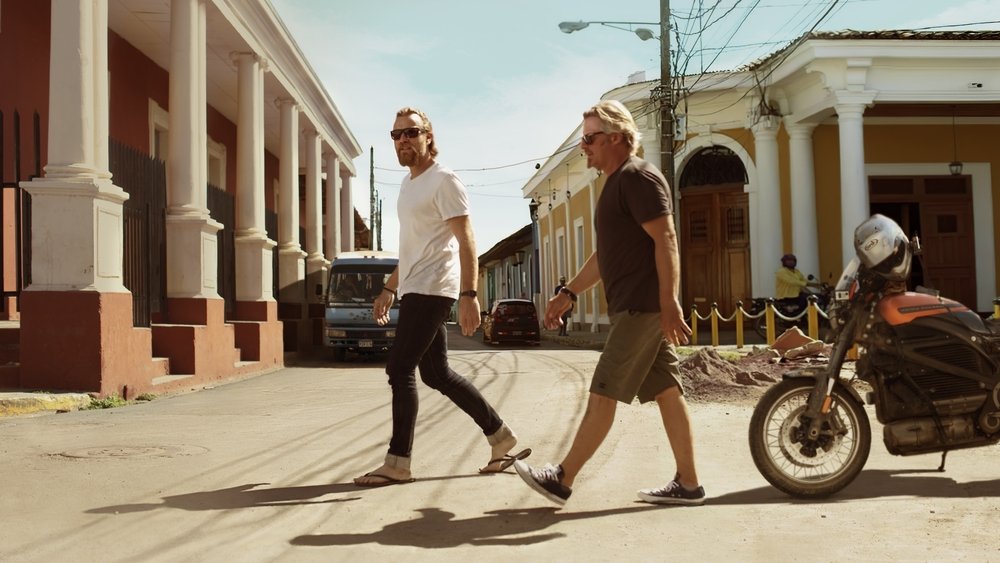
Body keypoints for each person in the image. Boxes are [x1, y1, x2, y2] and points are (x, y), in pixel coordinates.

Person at [513, 100, 704, 506]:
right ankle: (688, 484)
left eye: (590, 138)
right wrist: (570, 292)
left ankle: (561, 478)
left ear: (616, 137)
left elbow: (666, 239)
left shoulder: (638, 177)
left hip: (641, 308)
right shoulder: (615, 183)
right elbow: (606, 254)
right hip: (635, 307)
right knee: (668, 391)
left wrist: (669, 302)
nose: (584, 147)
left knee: (603, 392)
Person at [353, 107, 528, 487]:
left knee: (399, 370)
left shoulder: (444, 180)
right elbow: (413, 247)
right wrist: (389, 287)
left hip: (434, 289)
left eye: (411, 132)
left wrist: (470, 293)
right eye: (396, 134)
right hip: (415, 285)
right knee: (436, 374)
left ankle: (398, 462)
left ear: (428, 136)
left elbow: (467, 240)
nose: (403, 140)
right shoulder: (408, 185)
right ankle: (501, 438)